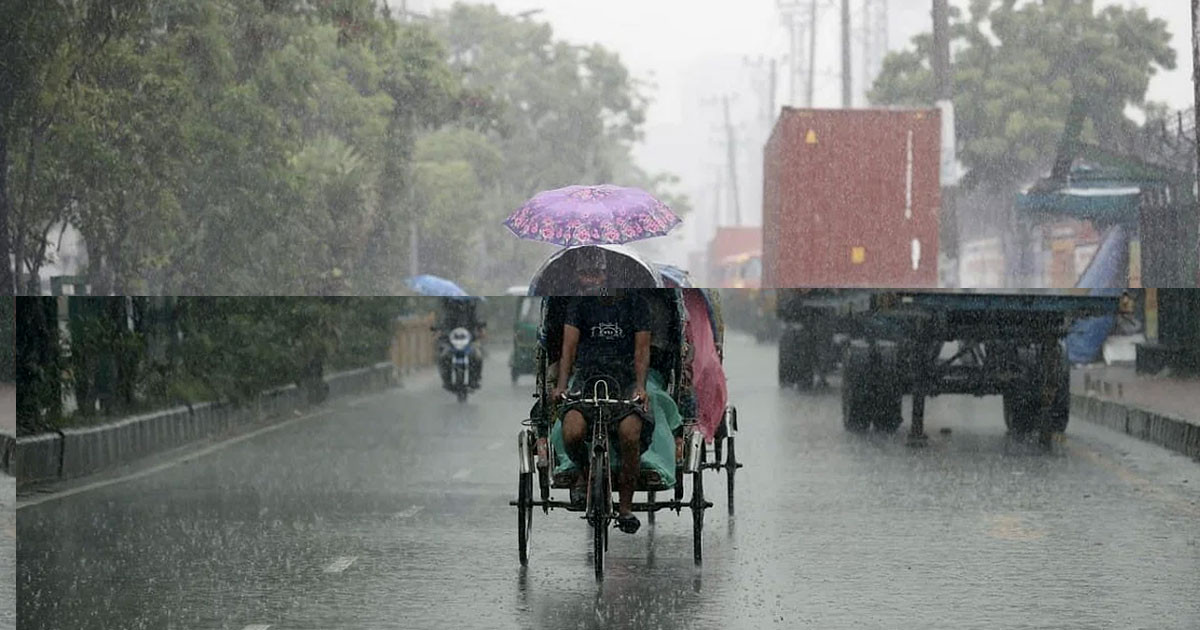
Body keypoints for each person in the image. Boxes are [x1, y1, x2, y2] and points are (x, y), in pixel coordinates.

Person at [551, 292, 653, 535]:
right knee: (572, 432)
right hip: (587, 379)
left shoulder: (637, 304)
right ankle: (585, 474)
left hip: (624, 380)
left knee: (630, 434)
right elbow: (569, 347)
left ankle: (625, 508)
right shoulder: (580, 303)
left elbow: (641, 350)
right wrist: (562, 385)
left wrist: (640, 387)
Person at [435, 297, 485, 389]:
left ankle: (476, 378)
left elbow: (477, 320)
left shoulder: (471, 309)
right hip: (450, 339)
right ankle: (446, 380)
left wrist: (480, 328)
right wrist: (439, 330)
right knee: (443, 357)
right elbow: (442, 321)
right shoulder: (448, 309)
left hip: (469, 339)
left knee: (478, 357)